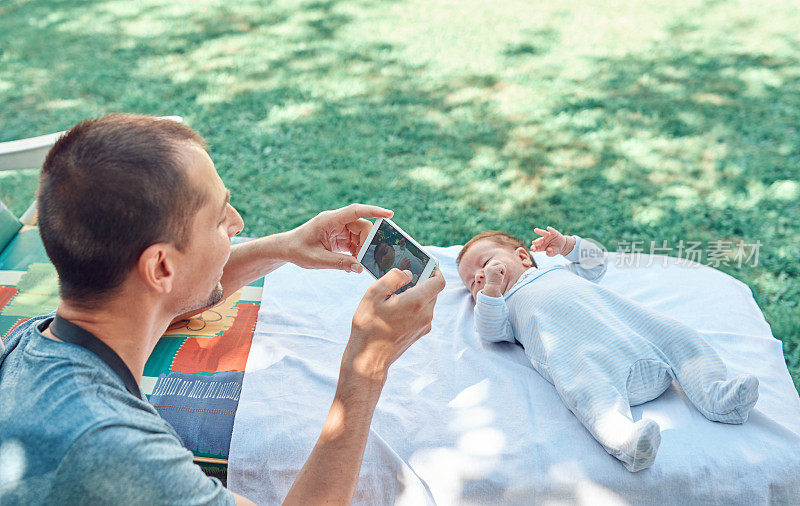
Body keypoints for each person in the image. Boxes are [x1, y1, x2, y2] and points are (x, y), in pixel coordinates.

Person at [0, 114, 445, 504]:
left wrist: (285, 247)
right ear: (160, 265)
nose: (239, 223)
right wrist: (366, 369)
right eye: (218, 218)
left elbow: (160, 304)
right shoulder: (120, 455)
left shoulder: (30, 344)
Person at [456, 227, 758, 472]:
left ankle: (717, 395)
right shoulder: (504, 307)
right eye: (472, 283)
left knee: (680, 336)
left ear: (522, 257)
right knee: (585, 391)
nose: (480, 278)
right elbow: (490, 331)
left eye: (484, 265)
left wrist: (569, 245)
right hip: (592, 361)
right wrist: (491, 292)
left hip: (637, 334)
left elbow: (595, 262)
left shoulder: (559, 272)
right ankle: (627, 440)